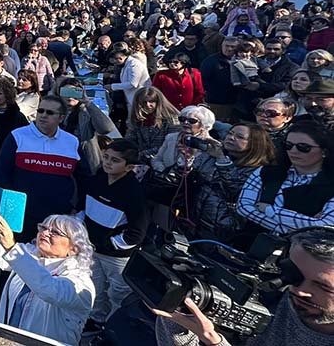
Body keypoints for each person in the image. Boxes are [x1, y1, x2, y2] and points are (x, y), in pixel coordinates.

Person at [153, 227, 334, 346]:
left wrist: (214, 341)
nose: (300, 291)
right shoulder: (272, 297)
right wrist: (178, 307)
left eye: (324, 288)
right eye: (294, 275)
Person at [0, 212, 95, 346]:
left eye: (55, 232)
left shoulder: (81, 282)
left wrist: (11, 247)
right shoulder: (32, 254)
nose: (45, 233)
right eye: (43, 228)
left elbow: (49, 289)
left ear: (74, 248)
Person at [78, 139, 147, 333]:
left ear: (129, 167)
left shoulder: (135, 193)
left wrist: (109, 244)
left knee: (118, 294)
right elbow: (84, 208)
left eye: (115, 160)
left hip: (117, 258)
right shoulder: (97, 178)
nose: (108, 162)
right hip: (92, 249)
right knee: (95, 288)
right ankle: (97, 319)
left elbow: (136, 233)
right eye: (106, 157)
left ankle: (114, 327)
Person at [0, 95, 84, 242]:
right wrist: (11, 209)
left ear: (61, 118)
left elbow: (83, 178)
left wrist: (78, 208)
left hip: (57, 217)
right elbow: (2, 174)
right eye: (40, 111)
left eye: (50, 113)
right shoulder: (17, 136)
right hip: (23, 215)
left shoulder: (72, 142)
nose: (43, 116)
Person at [237, 120, 334, 235]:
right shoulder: (266, 171)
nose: (293, 151)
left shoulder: (331, 185)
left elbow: (326, 225)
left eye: (303, 147)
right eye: (288, 145)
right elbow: (244, 207)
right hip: (250, 243)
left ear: (324, 152)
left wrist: (269, 210)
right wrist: (286, 229)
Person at [125, 86, 181, 164]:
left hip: (163, 160)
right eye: (144, 102)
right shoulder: (136, 118)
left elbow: (170, 144)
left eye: (151, 101)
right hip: (141, 160)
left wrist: (143, 153)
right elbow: (130, 139)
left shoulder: (172, 118)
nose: (148, 105)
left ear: (158, 101)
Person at [106, 42, 151, 108]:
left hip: (140, 98)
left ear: (120, 58)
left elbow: (133, 84)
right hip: (132, 97)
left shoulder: (134, 65)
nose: (115, 64)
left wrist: (112, 86)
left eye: (115, 62)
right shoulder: (126, 64)